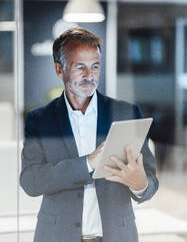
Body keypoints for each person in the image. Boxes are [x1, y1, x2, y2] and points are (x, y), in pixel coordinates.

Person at [20, 27, 158, 242]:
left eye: (95, 67)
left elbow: (150, 182)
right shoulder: (39, 119)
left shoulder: (126, 113)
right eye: (79, 67)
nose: (89, 75)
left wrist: (140, 185)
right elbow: (31, 181)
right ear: (59, 69)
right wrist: (88, 163)